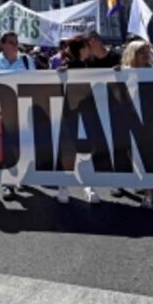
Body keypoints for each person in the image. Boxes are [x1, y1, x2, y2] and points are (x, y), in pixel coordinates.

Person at [117, 40, 153, 210]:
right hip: (133, 118)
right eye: (142, 52)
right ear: (132, 54)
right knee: (140, 157)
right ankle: (150, 192)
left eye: (148, 51)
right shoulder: (124, 72)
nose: (146, 55)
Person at [0, 31, 33, 199]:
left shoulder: (26, 60)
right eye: (10, 42)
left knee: (24, 145)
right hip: (1, 111)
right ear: (2, 44)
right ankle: (7, 183)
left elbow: (35, 81)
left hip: (23, 108)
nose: (14, 45)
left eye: (16, 41)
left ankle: (23, 176)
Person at [55, 35, 103, 205]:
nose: (89, 48)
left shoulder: (91, 64)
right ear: (80, 48)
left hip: (89, 112)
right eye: (86, 45)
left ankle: (88, 186)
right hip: (70, 113)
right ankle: (63, 186)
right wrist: (58, 75)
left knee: (87, 151)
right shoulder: (67, 66)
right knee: (69, 150)